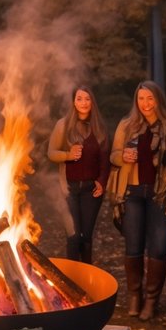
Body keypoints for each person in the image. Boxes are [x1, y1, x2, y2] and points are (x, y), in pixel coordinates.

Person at [109, 81, 166, 321]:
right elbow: (113, 155)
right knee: (133, 246)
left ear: (158, 100)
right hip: (133, 193)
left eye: (150, 98)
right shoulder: (127, 125)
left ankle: (151, 299)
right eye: (141, 99)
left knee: (159, 247)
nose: (145, 104)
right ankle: (134, 296)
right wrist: (122, 156)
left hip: (161, 193)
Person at [48, 86, 110, 266]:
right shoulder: (63, 125)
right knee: (74, 236)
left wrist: (102, 181)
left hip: (91, 190)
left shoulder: (99, 128)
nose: (83, 103)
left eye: (87, 99)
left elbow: (105, 159)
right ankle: (73, 278)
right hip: (69, 189)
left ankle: (86, 275)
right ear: (73, 102)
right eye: (79, 99)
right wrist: (68, 155)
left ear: (92, 102)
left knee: (86, 237)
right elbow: (51, 153)